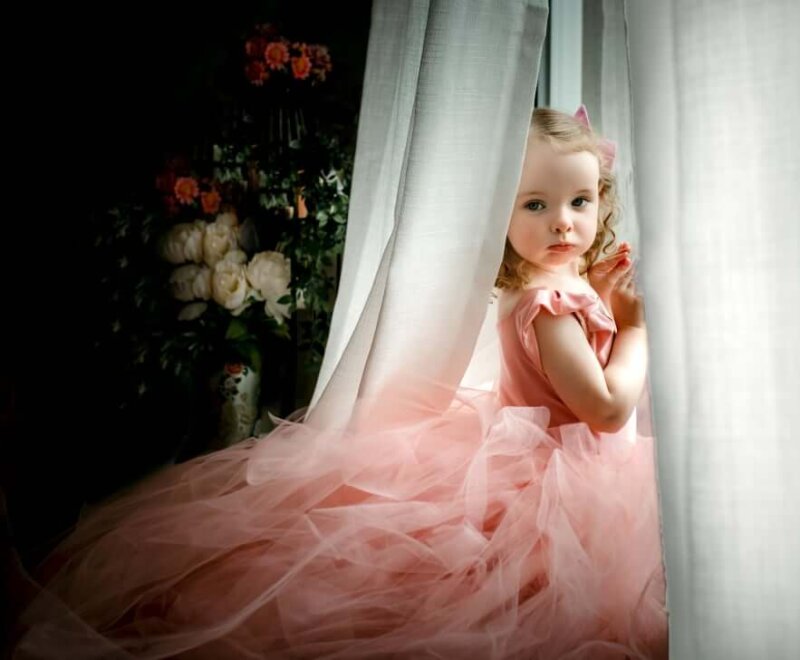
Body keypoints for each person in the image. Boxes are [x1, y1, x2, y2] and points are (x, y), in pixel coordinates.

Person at [8, 106, 668, 659]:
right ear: (499, 213)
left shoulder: (546, 287)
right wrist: (635, 327)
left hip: (544, 465)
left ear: (600, 201)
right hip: (558, 482)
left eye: (580, 201)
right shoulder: (552, 310)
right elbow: (607, 409)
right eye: (537, 204)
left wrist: (603, 293)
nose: (563, 222)